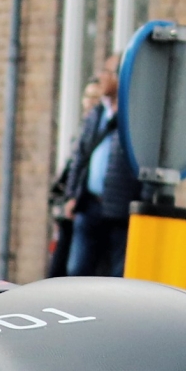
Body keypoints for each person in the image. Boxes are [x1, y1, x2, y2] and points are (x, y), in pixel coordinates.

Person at [50, 55, 137, 278]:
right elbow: (81, 155)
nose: (102, 77)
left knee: (117, 272)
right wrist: (72, 195)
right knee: (78, 270)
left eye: (107, 72)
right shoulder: (98, 113)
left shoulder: (134, 118)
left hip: (119, 207)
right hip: (89, 204)